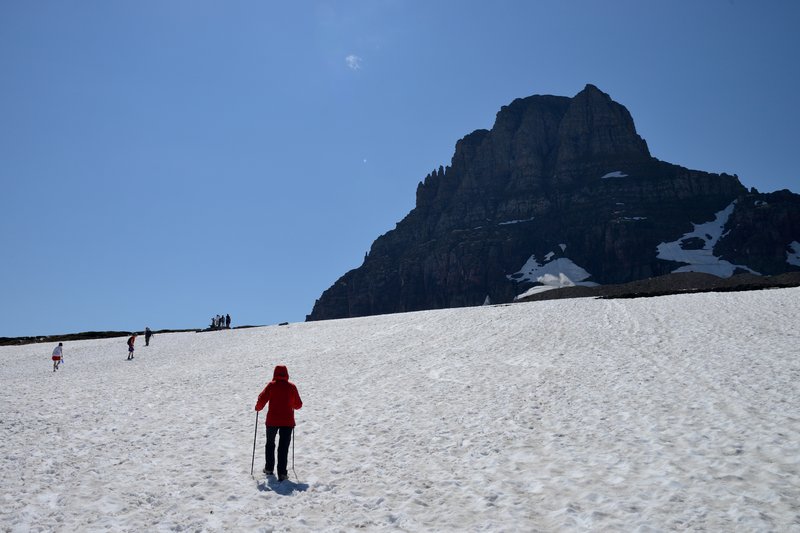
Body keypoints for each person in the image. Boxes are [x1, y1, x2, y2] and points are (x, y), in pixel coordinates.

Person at [255, 365, 303, 481]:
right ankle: (282, 473)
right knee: (283, 447)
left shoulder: (271, 386)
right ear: (286, 374)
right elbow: (298, 405)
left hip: (272, 421)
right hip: (287, 422)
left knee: (270, 444)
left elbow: (262, 399)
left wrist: (258, 407)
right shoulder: (291, 387)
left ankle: (269, 468)